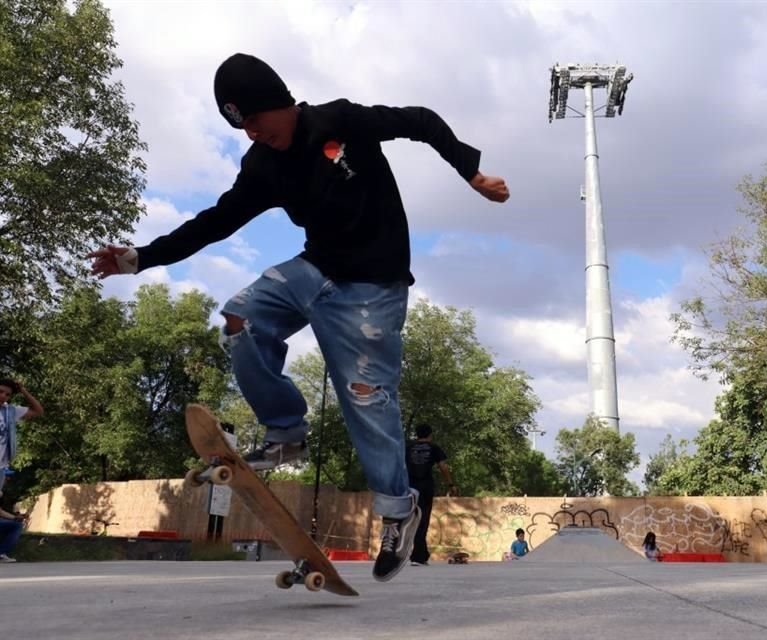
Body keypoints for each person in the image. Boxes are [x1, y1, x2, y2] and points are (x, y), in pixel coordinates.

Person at [87, 53, 509, 582]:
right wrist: (141, 257)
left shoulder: (341, 120)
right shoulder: (263, 166)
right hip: (315, 272)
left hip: (374, 288)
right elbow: (216, 220)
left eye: (257, 124)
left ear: (279, 104)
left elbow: (419, 120)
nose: (253, 137)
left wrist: (471, 173)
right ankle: (286, 431)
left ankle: (399, 513)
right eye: (242, 130)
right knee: (242, 317)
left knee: (366, 399)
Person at [406, 423, 457, 566]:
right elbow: (443, 467)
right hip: (425, 487)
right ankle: (418, 556)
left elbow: (400, 467)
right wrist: (450, 484)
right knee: (423, 520)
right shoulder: (433, 448)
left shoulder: (408, 448)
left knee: (413, 519)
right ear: (430, 434)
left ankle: (418, 554)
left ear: (417, 434)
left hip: (409, 488)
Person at [0, 379, 44, 499]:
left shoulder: (11, 412)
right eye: (1, 391)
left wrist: (23, 391)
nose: (4, 396)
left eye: (8, 394)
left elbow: (38, 411)